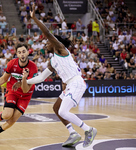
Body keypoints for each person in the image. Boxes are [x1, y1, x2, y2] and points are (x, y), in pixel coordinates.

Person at [13, 3, 97, 148]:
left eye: (47, 43)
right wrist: (23, 81)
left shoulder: (60, 49)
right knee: (56, 108)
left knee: (64, 111)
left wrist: (35, 19)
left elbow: (47, 33)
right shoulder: (52, 61)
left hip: (76, 83)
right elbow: (40, 78)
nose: (45, 45)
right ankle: (73, 133)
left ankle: (88, 130)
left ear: (53, 43)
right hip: (70, 85)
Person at [0, 43, 38, 144]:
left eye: (24, 52)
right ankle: (0, 116)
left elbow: (25, 89)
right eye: (19, 52)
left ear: (28, 52)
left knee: (12, 120)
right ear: (16, 54)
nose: (22, 54)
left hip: (26, 95)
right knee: (7, 115)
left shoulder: (33, 67)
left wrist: (24, 78)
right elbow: (4, 79)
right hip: (13, 91)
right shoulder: (12, 63)